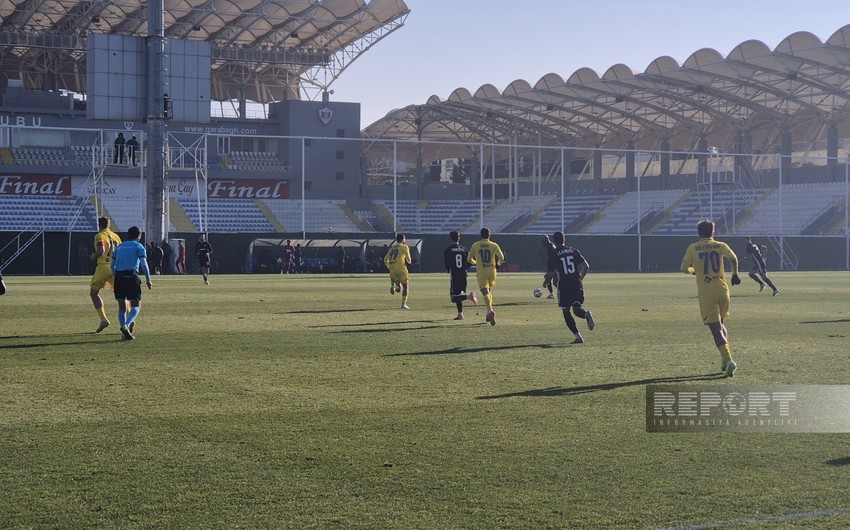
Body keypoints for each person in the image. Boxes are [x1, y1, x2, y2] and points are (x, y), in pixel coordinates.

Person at [680, 219, 742, 377]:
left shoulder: (693, 248)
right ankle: (723, 359)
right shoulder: (721, 245)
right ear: (713, 232)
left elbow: (683, 268)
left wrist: (695, 271)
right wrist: (734, 274)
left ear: (699, 233)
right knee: (721, 325)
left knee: (715, 330)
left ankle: (729, 360)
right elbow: (734, 258)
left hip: (707, 293)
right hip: (722, 290)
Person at [549, 231, 595, 344]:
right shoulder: (574, 251)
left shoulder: (554, 254)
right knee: (577, 310)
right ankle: (586, 314)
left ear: (554, 241)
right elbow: (586, 266)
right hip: (576, 283)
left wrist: (546, 281)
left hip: (564, 285)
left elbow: (551, 273)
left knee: (566, 311)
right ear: (564, 240)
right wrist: (580, 278)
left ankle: (578, 337)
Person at [110, 226, 152, 340]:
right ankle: (126, 325)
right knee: (136, 305)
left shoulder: (119, 247)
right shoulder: (139, 246)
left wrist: (117, 276)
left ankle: (124, 333)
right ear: (139, 235)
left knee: (122, 307)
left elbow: (111, 265)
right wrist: (148, 280)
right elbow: (144, 263)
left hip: (119, 277)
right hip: (131, 275)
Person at [89, 216, 122, 333]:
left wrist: (94, 256)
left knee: (94, 293)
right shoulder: (116, 237)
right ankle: (128, 320)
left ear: (99, 225)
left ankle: (103, 319)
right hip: (116, 267)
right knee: (121, 296)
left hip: (103, 267)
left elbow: (101, 250)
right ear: (109, 225)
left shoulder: (99, 235)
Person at [468, 227, 506, 325]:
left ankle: (490, 311)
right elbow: (501, 257)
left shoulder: (476, 245)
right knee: (489, 292)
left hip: (482, 271)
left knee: (484, 292)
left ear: (481, 235)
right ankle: (488, 313)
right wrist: (498, 264)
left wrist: (476, 262)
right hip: (492, 271)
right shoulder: (494, 245)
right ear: (489, 235)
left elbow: (469, 259)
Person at [444, 230, 478, 320]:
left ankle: (469, 297)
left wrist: (448, 270)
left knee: (454, 297)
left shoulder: (448, 250)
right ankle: (460, 314)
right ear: (459, 238)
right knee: (457, 295)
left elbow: (447, 264)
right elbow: (470, 261)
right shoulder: (464, 249)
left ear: (451, 238)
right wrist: (464, 268)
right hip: (463, 274)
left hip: (455, 275)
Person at [384, 233, 412, 309]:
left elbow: (385, 259)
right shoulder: (404, 247)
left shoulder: (392, 248)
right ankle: (403, 304)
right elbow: (409, 260)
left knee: (398, 289)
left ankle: (394, 287)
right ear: (403, 239)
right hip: (401, 268)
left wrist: (389, 267)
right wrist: (408, 261)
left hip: (392, 269)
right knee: (405, 287)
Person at [541, 234, 557, 299]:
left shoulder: (550, 247)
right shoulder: (550, 246)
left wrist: (553, 270)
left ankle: (565, 292)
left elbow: (553, 259)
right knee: (551, 281)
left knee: (554, 282)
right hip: (552, 267)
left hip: (554, 267)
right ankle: (551, 294)